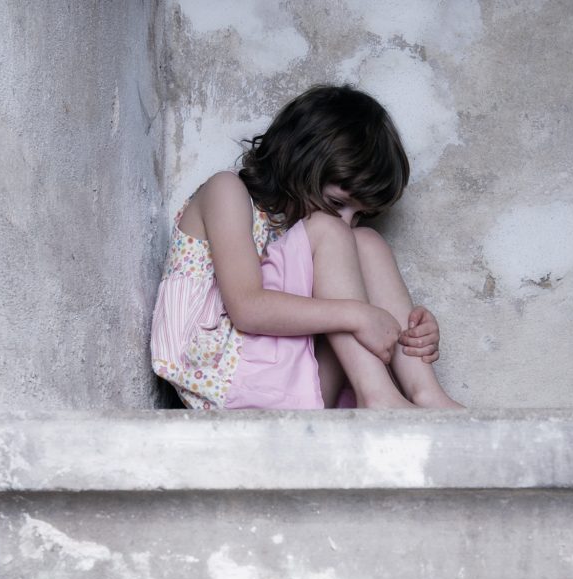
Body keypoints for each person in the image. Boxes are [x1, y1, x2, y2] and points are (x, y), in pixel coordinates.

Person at [151, 85, 463, 410]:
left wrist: (408, 335)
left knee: (368, 242)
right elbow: (246, 308)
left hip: (295, 386)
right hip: (227, 380)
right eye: (337, 203)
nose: (346, 222)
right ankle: (377, 395)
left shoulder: (302, 239)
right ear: (298, 162)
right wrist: (359, 315)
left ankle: (426, 394)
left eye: (359, 214)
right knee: (332, 233)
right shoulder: (226, 191)